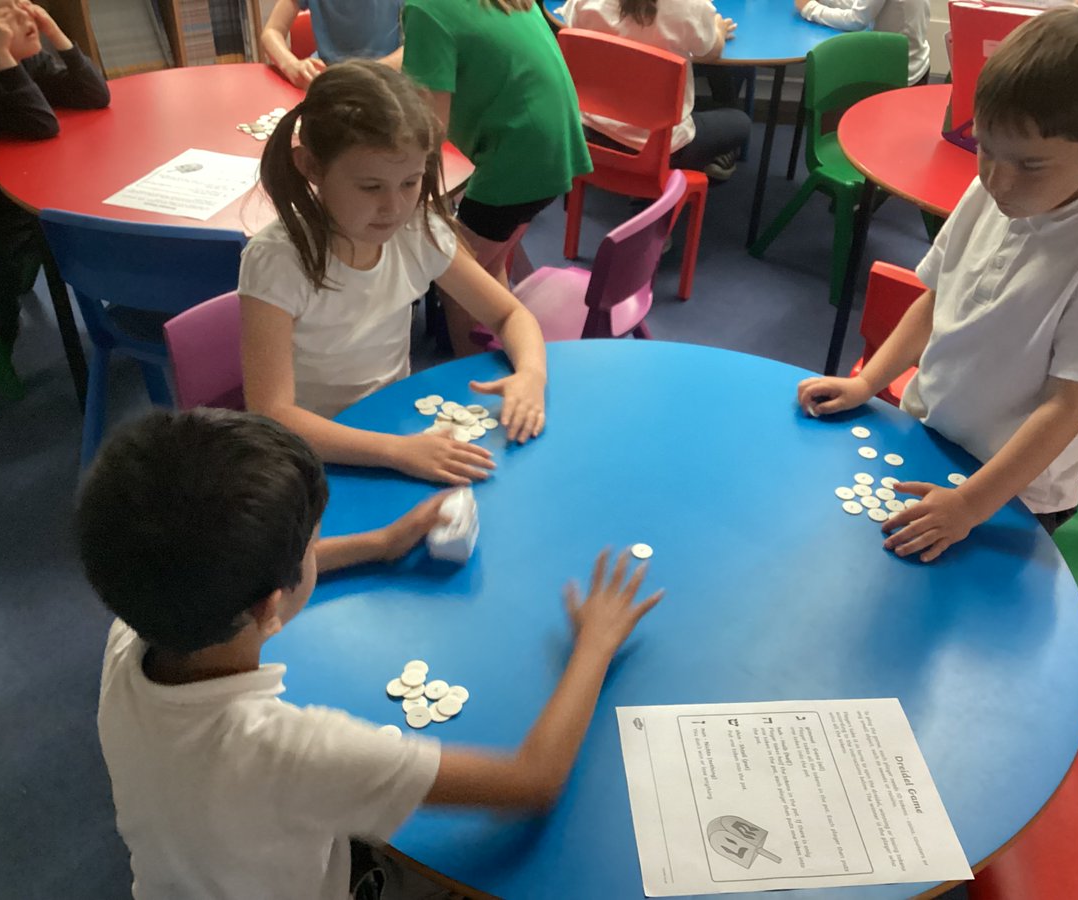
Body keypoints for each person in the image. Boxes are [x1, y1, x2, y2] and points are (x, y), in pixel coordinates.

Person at [82, 408, 663, 900]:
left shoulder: (132, 627)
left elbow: (256, 586)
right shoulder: (293, 750)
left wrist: (381, 544)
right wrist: (594, 644)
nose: (317, 547)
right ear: (271, 606)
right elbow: (532, 782)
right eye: (313, 543)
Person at [796, 7, 1078, 560]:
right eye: (986, 147)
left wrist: (968, 505)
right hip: (935, 432)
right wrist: (869, 384)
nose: (998, 179)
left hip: (1015, 490)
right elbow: (936, 298)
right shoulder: (989, 187)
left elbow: (1068, 406)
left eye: (1031, 165)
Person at [239, 60, 548, 485]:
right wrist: (396, 451)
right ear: (311, 167)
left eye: (410, 182)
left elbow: (512, 315)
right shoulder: (276, 262)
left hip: (393, 422)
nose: (395, 207)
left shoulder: (417, 233)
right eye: (371, 187)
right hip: (317, 453)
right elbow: (272, 414)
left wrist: (531, 374)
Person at [402, 0, 592, 355]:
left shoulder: (424, 9)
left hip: (517, 160)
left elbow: (430, 131)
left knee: (458, 280)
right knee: (484, 266)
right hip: (552, 145)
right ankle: (506, 350)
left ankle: (469, 381)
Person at [0, 0, 108, 381]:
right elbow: (40, 123)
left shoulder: (25, 60)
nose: (26, 15)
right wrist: (0, 54)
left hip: (33, 192)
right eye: (5, 15)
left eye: (24, 4)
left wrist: (55, 34)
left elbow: (96, 94)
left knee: (91, 231)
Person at [558, 0, 751, 181]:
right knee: (740, 121)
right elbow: (711, 52)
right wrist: (718, 29)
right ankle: (683, 171)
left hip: (591, 131)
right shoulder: (689, 6)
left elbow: (571, 22)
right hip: (661, 148)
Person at [261, 0, 404, 89]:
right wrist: (292, 65)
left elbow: (413, 47)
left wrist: (364, 75)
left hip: (384, 81)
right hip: (326, 80)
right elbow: (272, 31)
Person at [794, 0, 931, 86]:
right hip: (915, 59)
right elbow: (862, 5)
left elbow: (857, 20)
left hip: (898, 71)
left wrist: (810, 9)